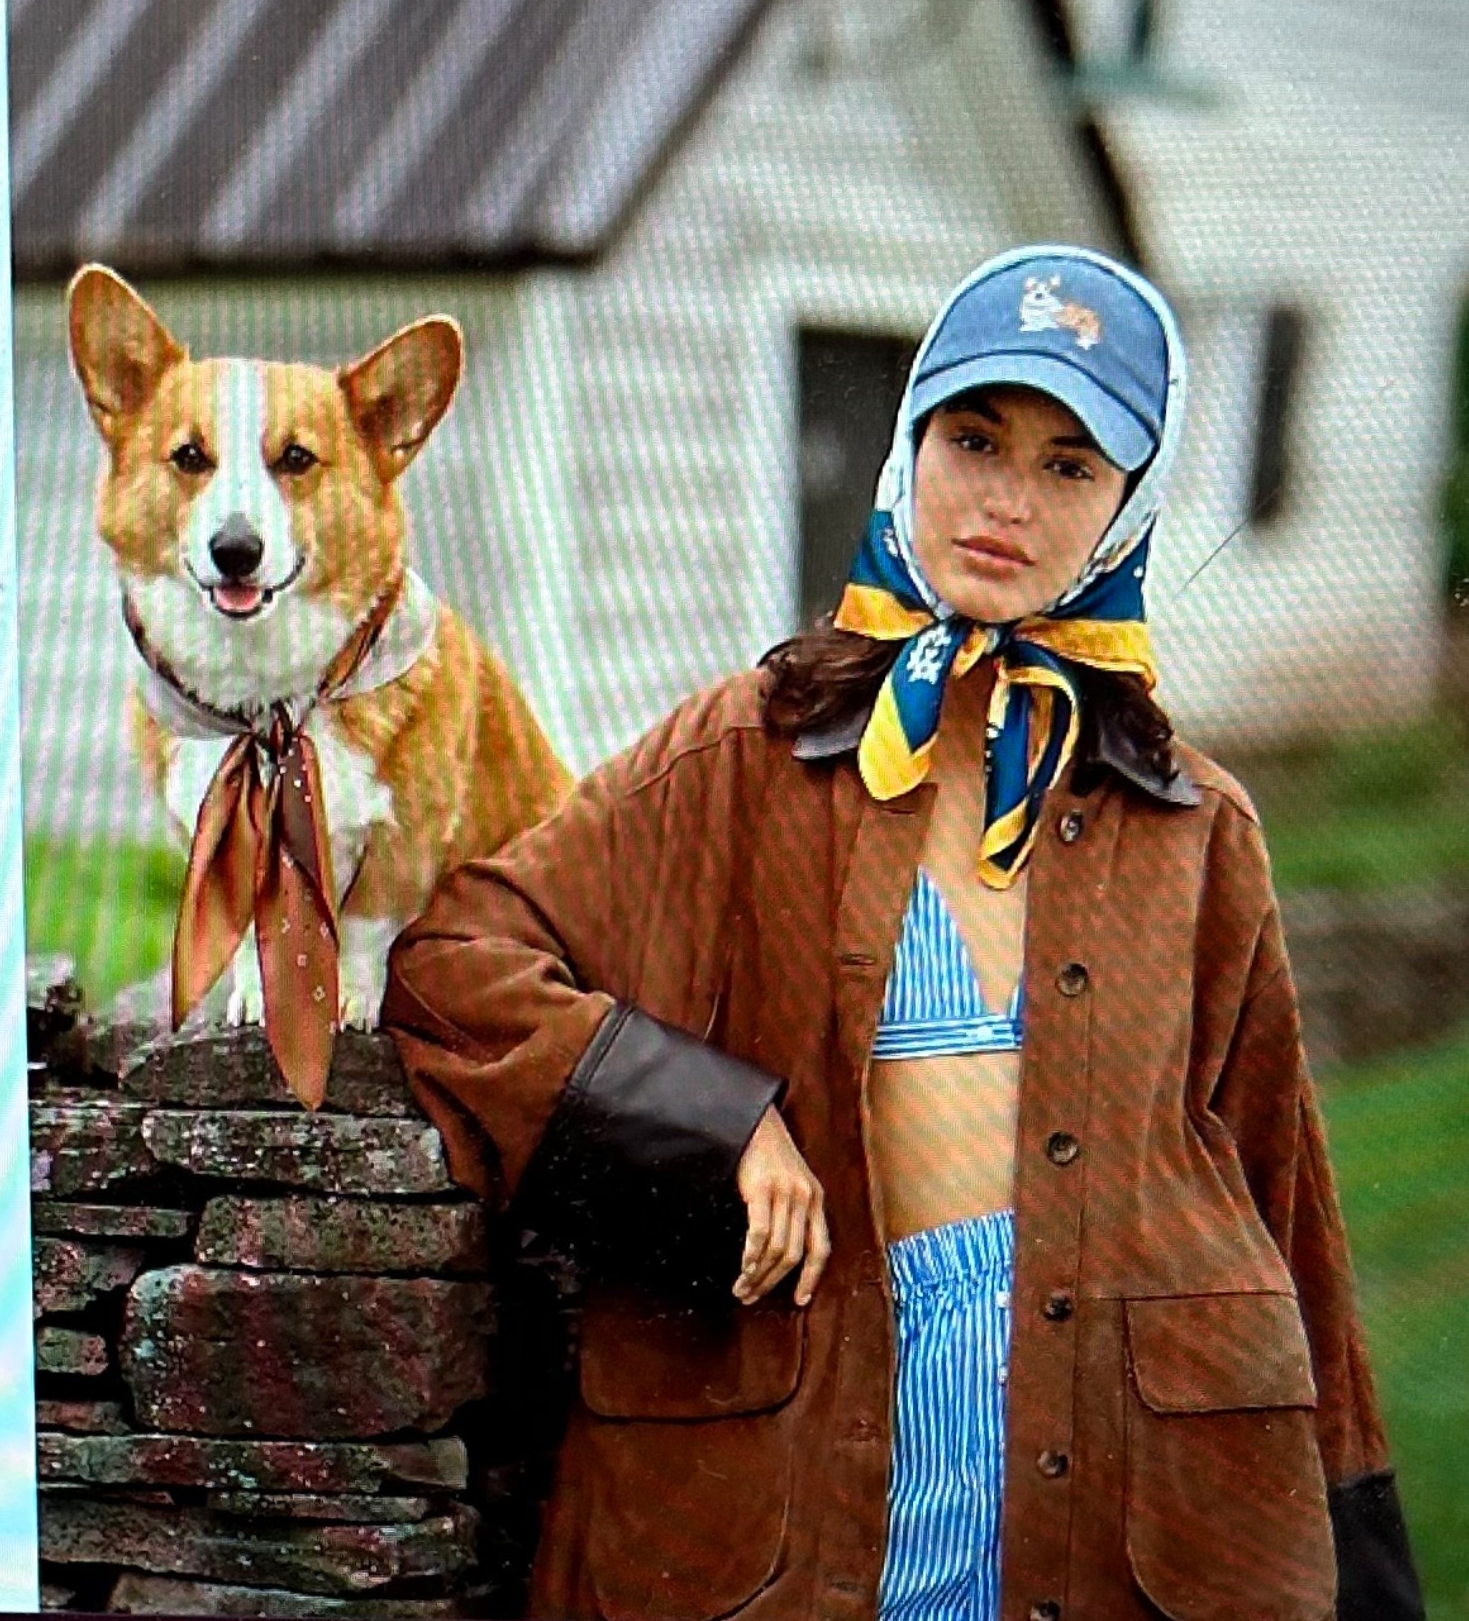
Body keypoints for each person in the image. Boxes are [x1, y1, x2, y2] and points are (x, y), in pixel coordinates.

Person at [381, 246, 1424, 1621]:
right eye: (975, 438)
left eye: (1069, 466)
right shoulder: (740, 754)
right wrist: (705, 1129)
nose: (1005, 498)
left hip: (1121, 1491)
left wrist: (1368, 1570)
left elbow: (1285, 1191)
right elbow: (457, 968)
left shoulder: (1195, 823)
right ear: (909, 441)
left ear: (1127, 507)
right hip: (798, 1477)